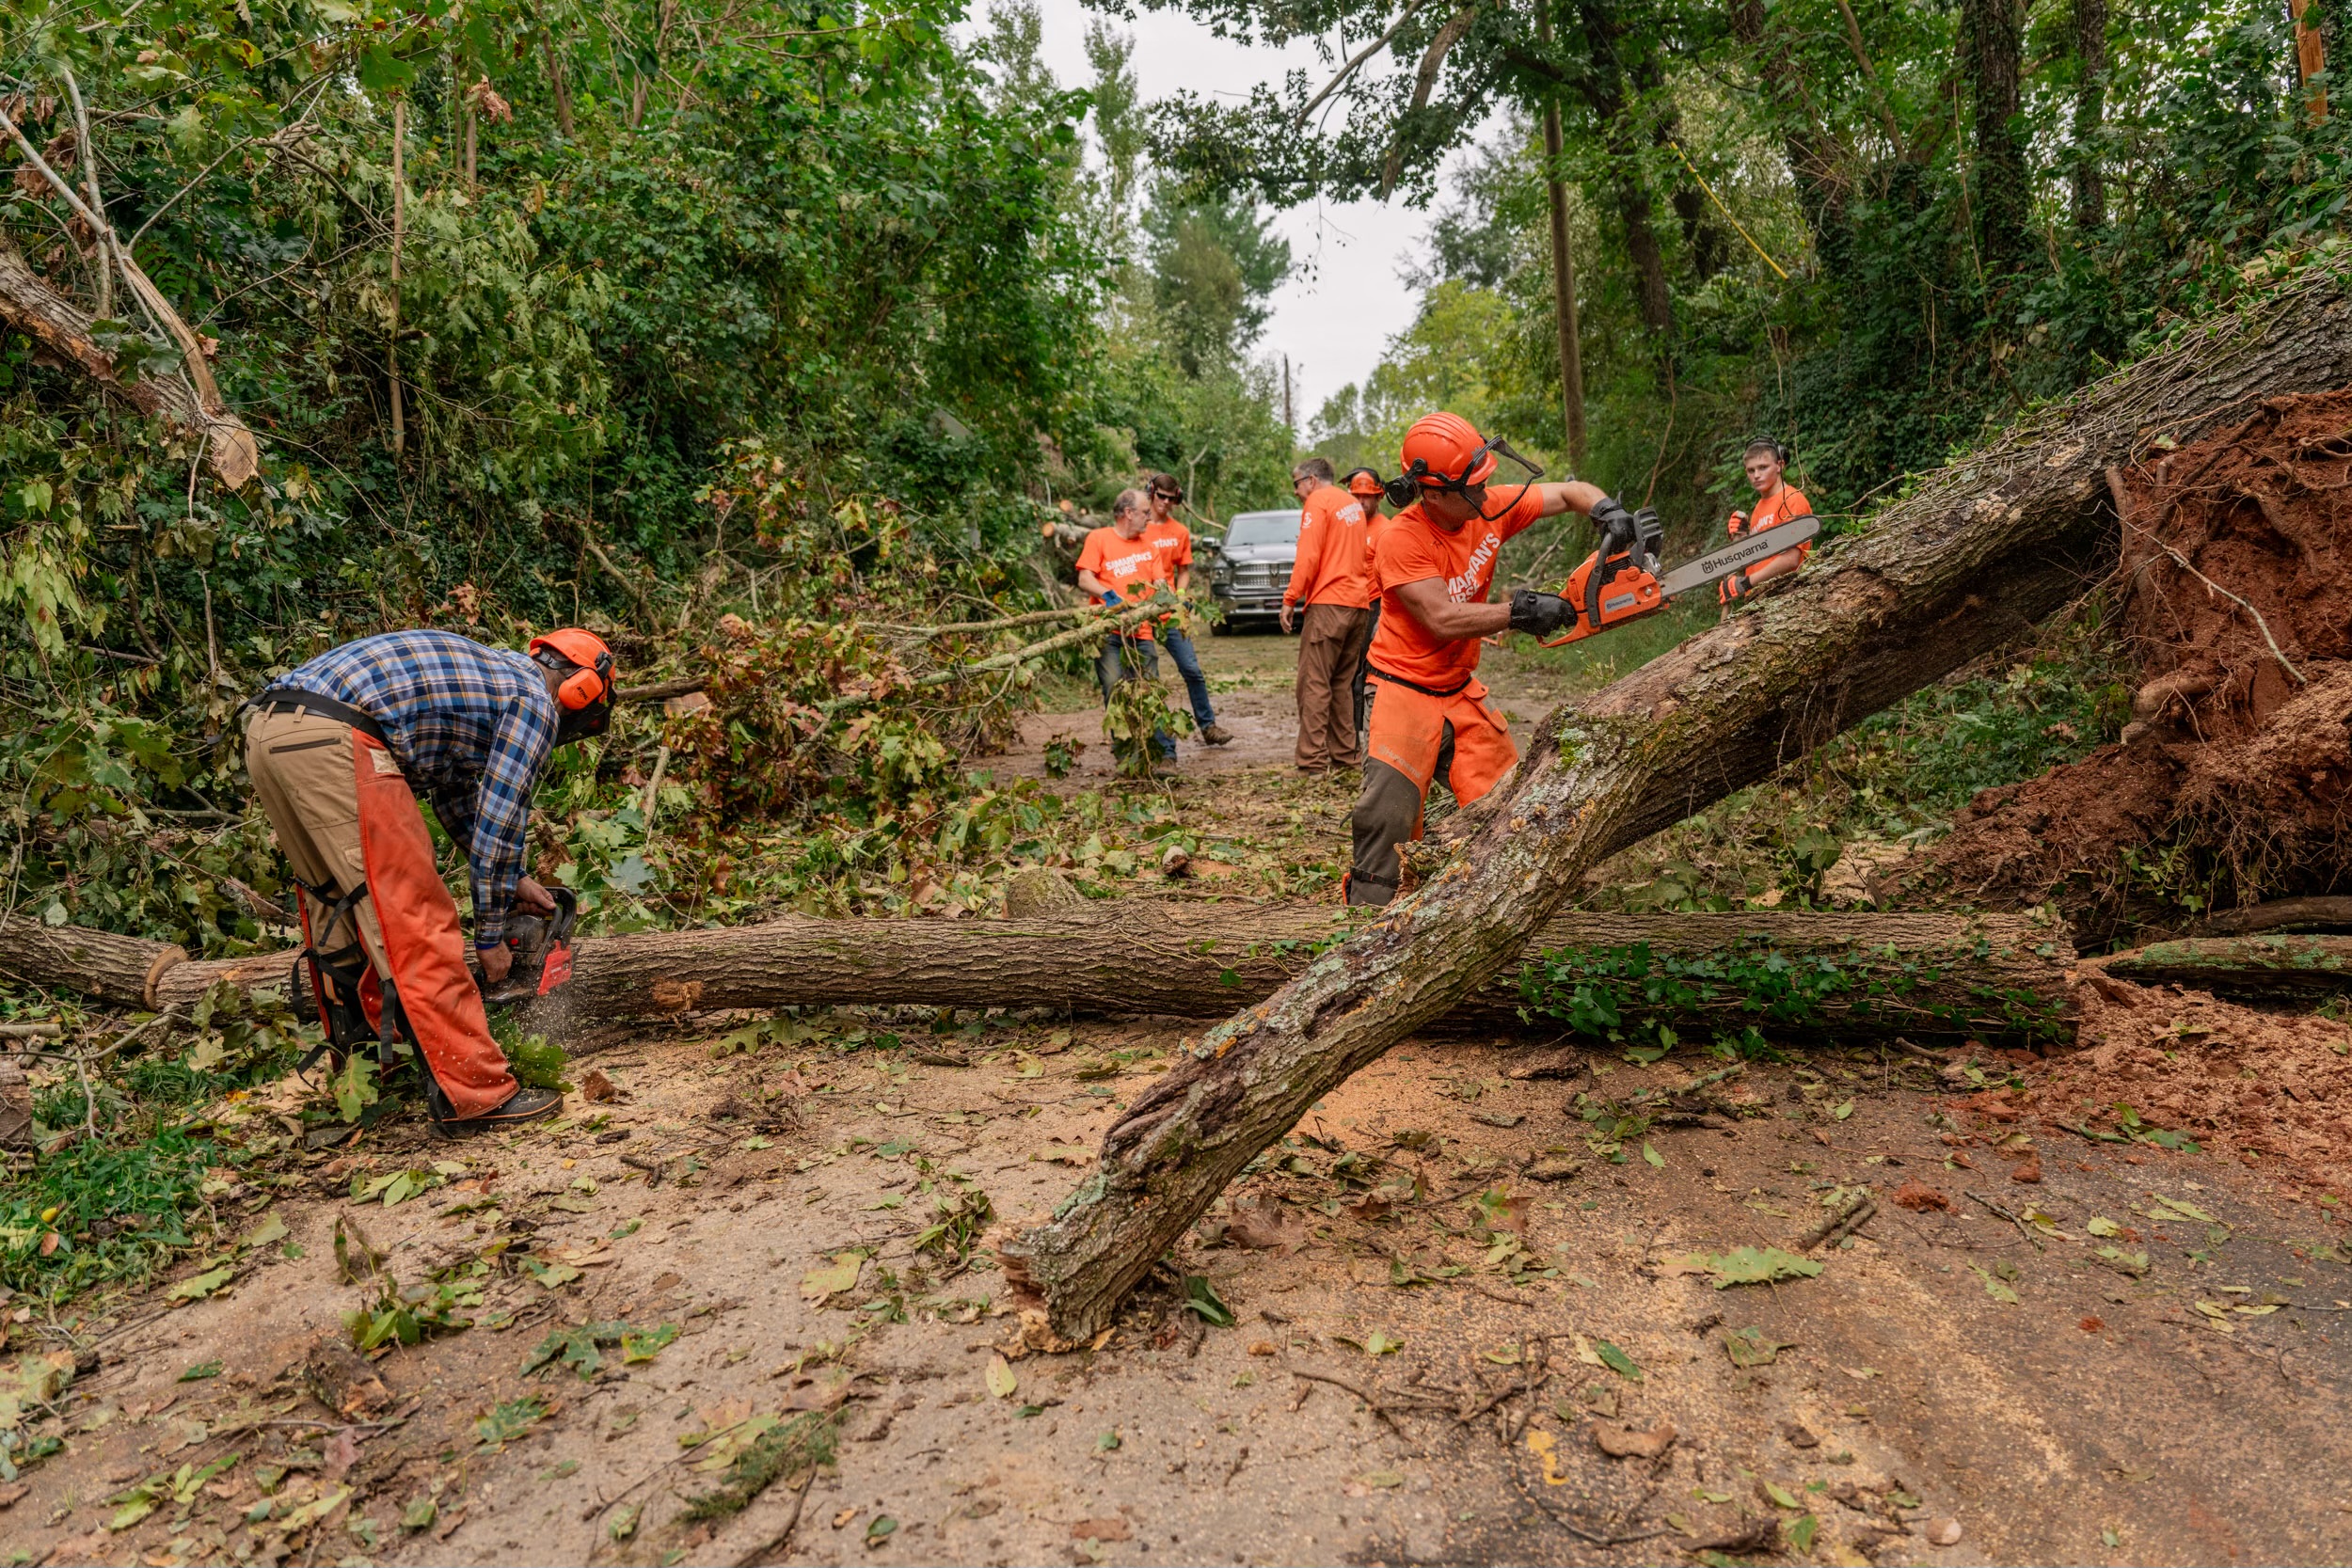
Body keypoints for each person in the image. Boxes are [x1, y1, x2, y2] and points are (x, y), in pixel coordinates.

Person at [243, 627, 618, 1132]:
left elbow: (458, 801)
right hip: (339, 737)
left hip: (270, 729)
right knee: (414, 916)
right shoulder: (534, 702)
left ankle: (367, 1075)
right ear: (581, 691)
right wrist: (490, 939)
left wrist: (515, 882)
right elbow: (498, 825)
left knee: (339, 906)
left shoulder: (488, 680)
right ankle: (475, 1094)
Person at [1345, 412, 1620, 906]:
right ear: (1433, 492)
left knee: (1516, 802)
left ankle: (1531, 902)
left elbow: (1566, 492)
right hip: (1401, 688)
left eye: (1485, 479)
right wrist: (1519, 612)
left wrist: (1605, 510)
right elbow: (1441, 618)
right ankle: (1365, 927)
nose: (1485, 491)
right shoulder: (1402, 539)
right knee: (1388, 821)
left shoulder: (1484, 506)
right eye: (1474, 486)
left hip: (1458, 687)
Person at [1279, 458, 1375, 771]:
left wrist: (1290, 598)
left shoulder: (1318, 502)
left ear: (1310, 480)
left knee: (1314, 683)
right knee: (1341, 685)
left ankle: (1311, 761)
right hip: (1358, 606)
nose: (1296, 493)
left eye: (1296, 484)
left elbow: (1308, 555)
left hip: (1329, 605)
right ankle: (1347, 757)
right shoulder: (1352, 505)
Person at [1076, 489, 1177, 764]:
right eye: (1145, 512)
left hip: (1141, 632)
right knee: (1114, 690)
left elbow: (1160, 582)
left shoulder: (1149, 546)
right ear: (1128, 513)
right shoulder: (1098, 539)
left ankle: (1165, 753)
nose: (1149, 517)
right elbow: (1085, 579)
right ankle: (1126, 754)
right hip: (1108, 633)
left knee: (1151, 690)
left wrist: (1165, 596)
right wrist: (1109, 596)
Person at [1140, 474, 1234, 746]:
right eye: (1161, 497)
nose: (1166, 503)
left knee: (1191, 669)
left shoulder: (1179, 531)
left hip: (1169, 612)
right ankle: (1149, 735)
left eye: (1172, 499)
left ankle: (1208, 725)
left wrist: (1179, 597)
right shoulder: (1139, 529)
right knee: (1146, 675)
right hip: (1139, 613)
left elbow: (1184, 570)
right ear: (1151, 493)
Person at [1720, 436, 1813, 603]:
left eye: (1763, 468)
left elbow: (1790, 559)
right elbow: (1758, 555)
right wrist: (1741, 539)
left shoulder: (1792, 500)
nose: (1756, 475)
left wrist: (1747, 583)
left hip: (1784, 596)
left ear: (1780, 465)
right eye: (1751, 470)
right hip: (1757, 600)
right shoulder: (1758, 508)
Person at [1342, 467, 1388, 748]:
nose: (1361, 502)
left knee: (1365, 673)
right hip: (1348, 605)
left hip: (1375, 606)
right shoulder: (1347, 525)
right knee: (1345, 673)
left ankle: (1366, 735)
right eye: (1356, 496)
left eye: (1366, 497)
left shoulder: (1386, 529)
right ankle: (1348, 736)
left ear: (1378, 497)